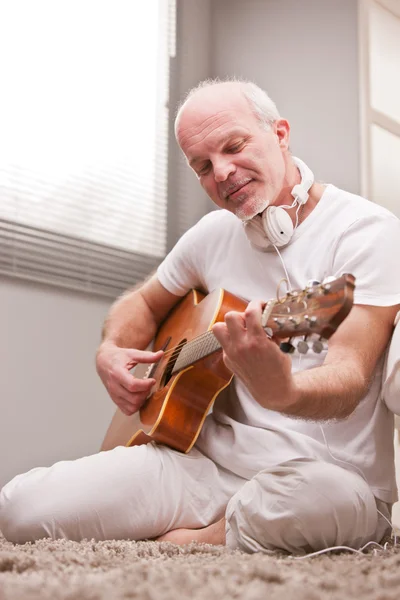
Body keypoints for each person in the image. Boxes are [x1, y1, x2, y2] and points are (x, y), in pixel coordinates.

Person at [1, 79, 400, 555]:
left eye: (234, 146)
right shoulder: (213, 234)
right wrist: (109, 351)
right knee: (22, 508)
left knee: (319, 503)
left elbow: (350, 374)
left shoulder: (366, 233)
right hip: (205, 466)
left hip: (323, 477)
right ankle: (227, 528)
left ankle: (197, 539)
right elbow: (143, 302)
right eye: (203, 166)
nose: (223, 172)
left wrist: (283, 391)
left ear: (280, 133)